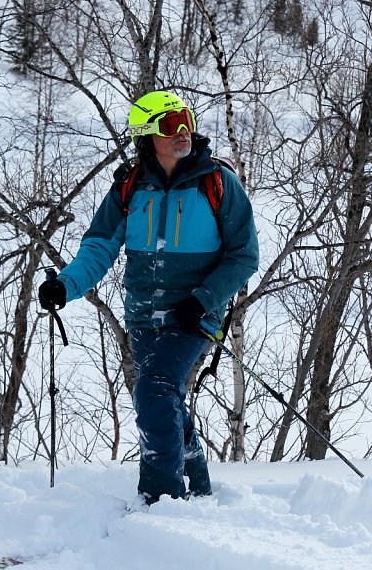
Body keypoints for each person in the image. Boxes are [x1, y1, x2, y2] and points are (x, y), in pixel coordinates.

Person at [37, 90, 259, 505]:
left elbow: (244, 256)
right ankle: (198, 489)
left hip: (194, 316)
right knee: (167, 397)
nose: (183, 132)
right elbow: (99, 248)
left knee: (154, 389)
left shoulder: (217, 183)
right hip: (142, 317)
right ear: (146, 136)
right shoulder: (129, 187)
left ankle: (161, 501)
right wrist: (65, 286)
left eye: (186, 121)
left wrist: (203, 299)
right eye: (170, 125)